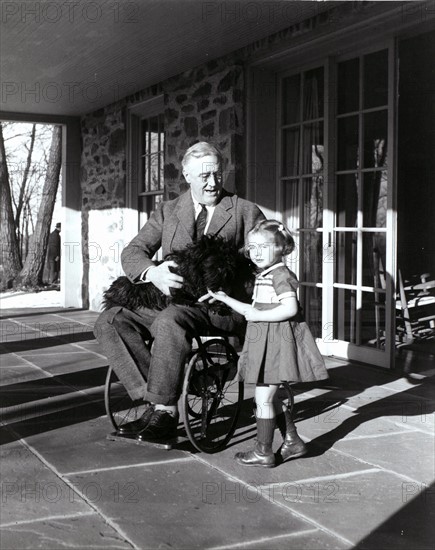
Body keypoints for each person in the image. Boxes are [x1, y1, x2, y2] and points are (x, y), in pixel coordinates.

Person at [94, 142, 265, 441]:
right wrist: (153, 273)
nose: (213, 183)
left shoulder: (244, 212)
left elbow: (265, 264)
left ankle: (166, 412)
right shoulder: (169, 210)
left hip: (218, 307)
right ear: (187, 175)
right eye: (204, 176)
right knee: (110, 320)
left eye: (217, 174)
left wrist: (233, 290)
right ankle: (157, 399)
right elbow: (133, 252)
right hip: (173, 301)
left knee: (169, 320)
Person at [204, 219, 329, 468]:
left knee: (262, 398)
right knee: (269, 397)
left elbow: (290, 308)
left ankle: (264, 451)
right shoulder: (266, 274)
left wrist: (259, 315)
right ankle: (293, 441)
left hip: (276, 345)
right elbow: (253, 309)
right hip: (266, 342)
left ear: (281, 248)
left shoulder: (281, 275)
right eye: (252, 247)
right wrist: (225, 298)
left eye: (264, 246)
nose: (256, 252)